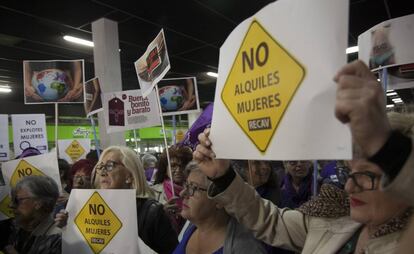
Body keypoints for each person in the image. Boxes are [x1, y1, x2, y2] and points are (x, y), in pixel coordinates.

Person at [193, 60, 413, 253]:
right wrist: (223, 177)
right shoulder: (334, 225)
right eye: (350, 173)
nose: (349, 188)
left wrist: (387, 146)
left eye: (368, 176)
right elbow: (270, 221)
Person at [92, 146, 178, 254]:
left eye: (110, 166)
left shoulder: (153, 213)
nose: (103, 172)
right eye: (100, 167)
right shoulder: (91, 209)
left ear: (129, 175)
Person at [172, 161, 267, 254]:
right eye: (186, 185)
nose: (182, 193)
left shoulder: (245, 248)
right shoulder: (192, 227)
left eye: (194, 188)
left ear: (220, 199)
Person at [4, 175, 61, 254]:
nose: (11, 205)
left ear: (38, 203)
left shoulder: (58, 238)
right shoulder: (17, 228)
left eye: (17, 200)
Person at [152, 145, 193, 233]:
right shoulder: (152, 192)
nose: (178, 170)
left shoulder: (197, 191)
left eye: (182, 166)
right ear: (165, 168)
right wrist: (161, 213)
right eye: (173, 166)